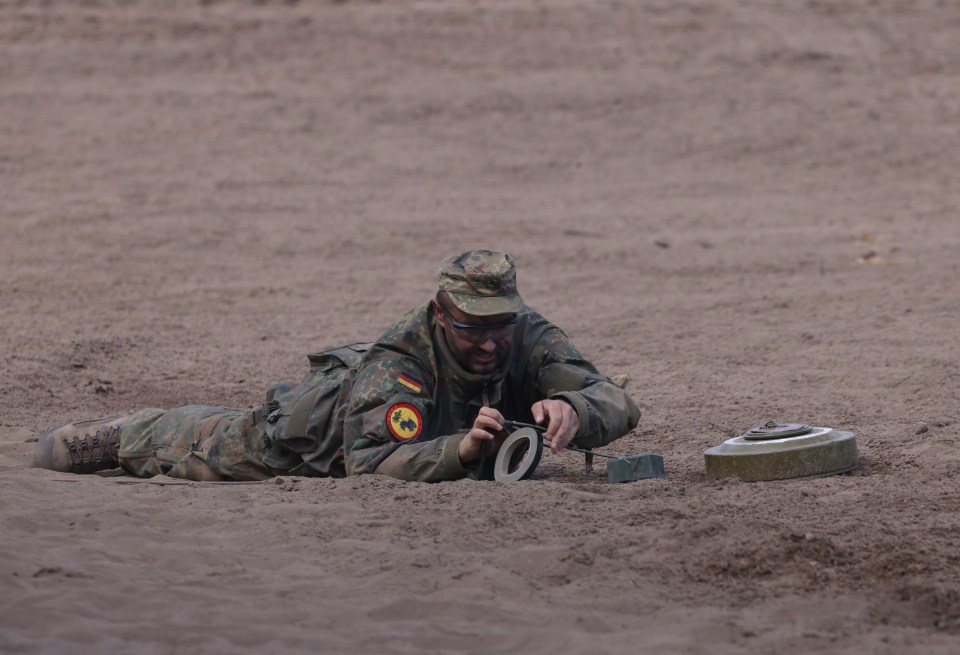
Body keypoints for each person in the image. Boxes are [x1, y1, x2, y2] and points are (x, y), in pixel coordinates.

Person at [32, 250, 641, 482]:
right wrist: (463, 453)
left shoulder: (527, 332)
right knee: (212, 444)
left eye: (499, 327)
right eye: (472, 329)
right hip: (318, 436)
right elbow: (371, 461)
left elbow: (617, 400)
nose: (490, 344)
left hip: (426, 429)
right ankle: (126, 433)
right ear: (440, 313)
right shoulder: (400, 361)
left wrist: (574, 408)